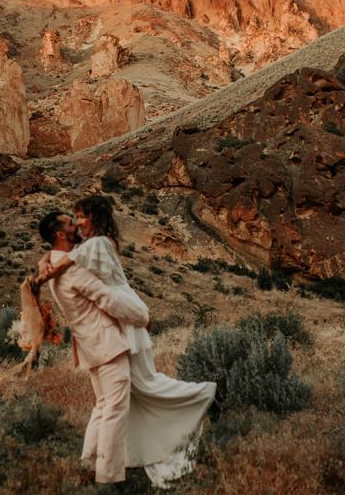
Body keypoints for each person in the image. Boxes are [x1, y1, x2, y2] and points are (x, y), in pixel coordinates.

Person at [36, 197, 217, 489]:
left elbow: (63, 258)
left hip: (90, 344)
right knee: (116, 408)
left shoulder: (59, 265)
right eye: (71, 221)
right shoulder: (76, 265)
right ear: (60, 233)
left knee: (104, 405)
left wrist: (45, 262)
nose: (76, 224)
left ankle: (89, 465)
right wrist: (143, 316)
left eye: (79, 217)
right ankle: (108, 477)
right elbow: (106, 298)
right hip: (107, 342)